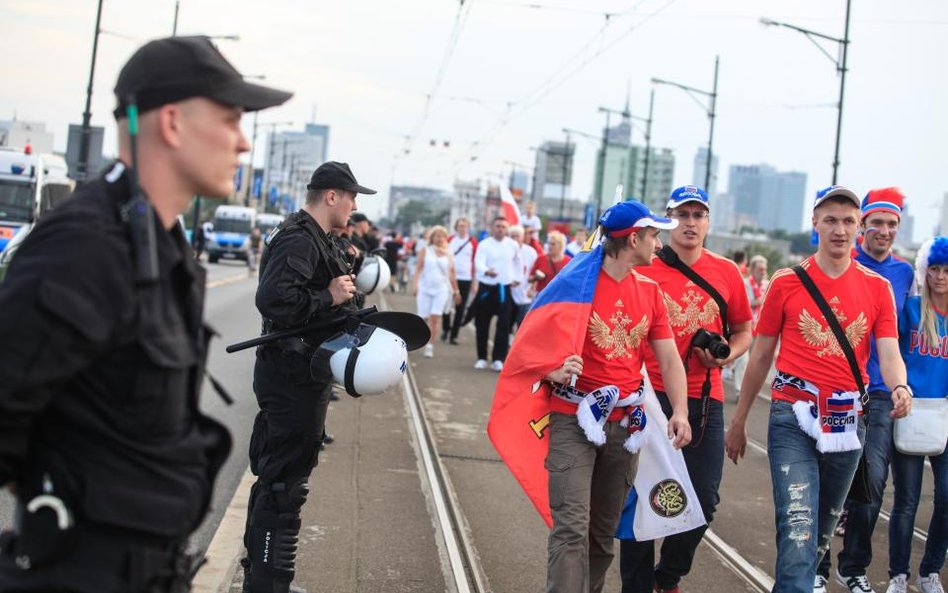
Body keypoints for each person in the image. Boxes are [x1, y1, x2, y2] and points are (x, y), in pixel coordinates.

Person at [0, 35, 290, 592]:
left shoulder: (159, 245)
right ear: (173, 123)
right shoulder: (84, 247)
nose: (244, 143)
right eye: (230, 120)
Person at [725, 185, 912, 593]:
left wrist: (900, 386)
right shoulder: (786, 282)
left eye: (848, 221)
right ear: (815, 223)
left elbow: (890, 350)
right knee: (796, 527)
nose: (840, 230)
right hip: (792, 414)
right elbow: (759, 356)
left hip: (847, 422)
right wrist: (739, 421)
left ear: (859, 227)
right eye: (831, 220)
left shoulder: (878, 288)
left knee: (821, 532)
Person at [536, 200, 692, 593]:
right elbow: (531, 338)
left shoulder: (651, 292)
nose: (659, 244)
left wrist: (682, 411)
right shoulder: (577, 283)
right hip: (573, 417)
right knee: (571, 527)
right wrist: (549, 369)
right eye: (654, 235)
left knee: (601, 533)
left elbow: (670, 359)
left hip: (626, 426)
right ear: (634, 238)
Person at [241, 161, 376, 593]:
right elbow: (275, 300)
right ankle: (267, 583)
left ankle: (266, 579)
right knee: (283, 485)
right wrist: (328, 294)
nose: (354, 206)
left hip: (304, 372)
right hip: (289, 373)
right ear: (331, 196)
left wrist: (345, 279)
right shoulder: (298, 238)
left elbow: (334, 294)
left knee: (286, 477)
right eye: (351, 196)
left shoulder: (319, 237)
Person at [620, 185, 753, 593]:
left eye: (698, 215)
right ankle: (638, 586)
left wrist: (726, 356)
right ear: (668, 219)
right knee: (640, 497)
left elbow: (745, 330)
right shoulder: (643, 267)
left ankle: (668, 576)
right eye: (681, 214)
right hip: (646, 396)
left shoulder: (727, 272)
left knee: (704, 498)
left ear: (708, 222)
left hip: (705, 399)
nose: (690, 223)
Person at [817, 187, 916, 593]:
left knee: (873, 480)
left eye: (891, 224)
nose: (884, 231)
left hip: (877, 392)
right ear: (862, 227)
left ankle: (853, 565)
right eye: (876, 222)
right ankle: (818, 568)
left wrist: (903, 384)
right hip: (836, 389)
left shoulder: (907, 273)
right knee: (828, 479)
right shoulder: (842, 261)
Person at [885, 236, 948, 593]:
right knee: (906, 501)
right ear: (926, 270)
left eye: (947, 270)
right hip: (908, 412)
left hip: (945, 414)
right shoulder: (909, 310)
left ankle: (930, 571)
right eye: (935, 269)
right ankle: (898, 574)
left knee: (947, 498)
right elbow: (891, 355)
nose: (940, 277)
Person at [473, 216, 519, 371]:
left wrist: (516, 278)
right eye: (498, 226)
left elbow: (519, 263)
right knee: (482, 324)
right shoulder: (485, 244)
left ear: (507, 229)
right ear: (493, 227)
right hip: (486, 288)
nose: (500, 229)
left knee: (504, 325)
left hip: (504, 289)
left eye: (503, 227)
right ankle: (481, 357)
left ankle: (499, 358)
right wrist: (486, 271)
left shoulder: (512, 245)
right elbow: (478, 262)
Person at [413, 225, 460, 358]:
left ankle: (430, 345)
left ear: (446, 238)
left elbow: (452, 274)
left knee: (435, 317)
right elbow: (418, 269)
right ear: (432, 237)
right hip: (425, 288)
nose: (439, 238)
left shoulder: (449, 253)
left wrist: (456, 291)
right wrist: (415, 285)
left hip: (441, 289)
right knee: (423, 318)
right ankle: (419, 341)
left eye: (442, 236)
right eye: (437, 236)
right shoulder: (425, 250)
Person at [730, 254, 768, 400]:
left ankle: (750, 389)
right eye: (759, 269)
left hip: (761, 327)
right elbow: (739, 304)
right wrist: (756, 302)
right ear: (752, 269)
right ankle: (739, 390)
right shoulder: (744, 284)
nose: (762, 272)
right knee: (743, 359)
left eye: (764, 269)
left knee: (756, 361)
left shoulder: (767, 285)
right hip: (745, 326)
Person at [443, 217, 478, 343]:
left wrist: (474, 282)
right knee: (445, 304)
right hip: (450, 277)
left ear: (468, 228)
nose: (462, 228)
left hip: (465, 278)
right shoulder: (450, 240)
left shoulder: (472, 243)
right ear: (456, 227)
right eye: (460, 226)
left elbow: (475, 263)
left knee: (460, 308)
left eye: (465, 226)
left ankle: (454, 335)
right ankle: (446, 328)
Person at [508, 224, 538, 334]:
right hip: (509, 293)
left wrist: (532, 288)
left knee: (522, 325)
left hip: (525, 294)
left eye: (517, 236)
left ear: (522, 237)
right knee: (507, 323)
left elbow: (534, 272)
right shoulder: (506, 250)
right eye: (512, 236)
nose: (515, 239)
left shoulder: (531, 252)